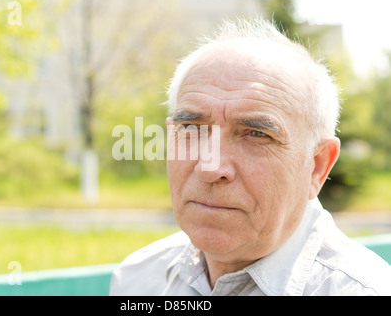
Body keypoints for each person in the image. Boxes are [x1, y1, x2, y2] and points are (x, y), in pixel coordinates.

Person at [110, 17, 391, 296]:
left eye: (256, 134)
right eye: (192, 128)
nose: (210, 167)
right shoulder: (137, 280)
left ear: (317, 166)